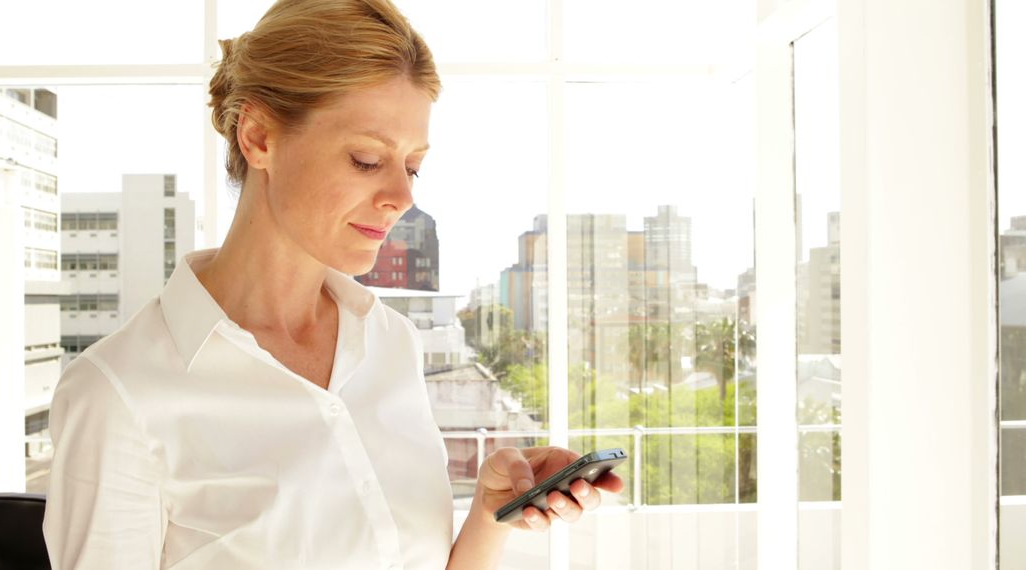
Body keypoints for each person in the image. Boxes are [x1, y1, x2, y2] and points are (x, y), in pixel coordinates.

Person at [41, 0, 623, 568]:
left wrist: (491, 511)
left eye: (413, 165)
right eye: (368, 160)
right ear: (259, 138)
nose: (403, 195)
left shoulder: (389, 342)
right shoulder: (117, 395)